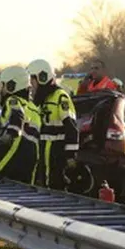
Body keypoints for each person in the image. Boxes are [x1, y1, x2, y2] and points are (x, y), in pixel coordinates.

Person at [28, 59, 79, 190]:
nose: (31, 85)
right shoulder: (42, 99)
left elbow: (72, 128)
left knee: (57, 187)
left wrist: (70, 155)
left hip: (57, 152)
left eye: (32, 80)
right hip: (44, 151)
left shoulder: (60, 97)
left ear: (42, 78)